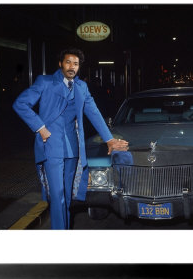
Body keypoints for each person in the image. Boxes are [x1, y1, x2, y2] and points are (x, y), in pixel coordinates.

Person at [13, 48, 128, 229]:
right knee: (57, 195)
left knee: (67, 196)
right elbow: (20, 104)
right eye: (68, 62)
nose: (72, 67)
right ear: (60, 64)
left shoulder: (82, 86)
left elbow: (94, 113)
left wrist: (109, 140)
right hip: (51, 147)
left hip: (74, 149)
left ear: (79, 66)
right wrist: (40, 127)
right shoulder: (45, 82)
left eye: (75, 64)